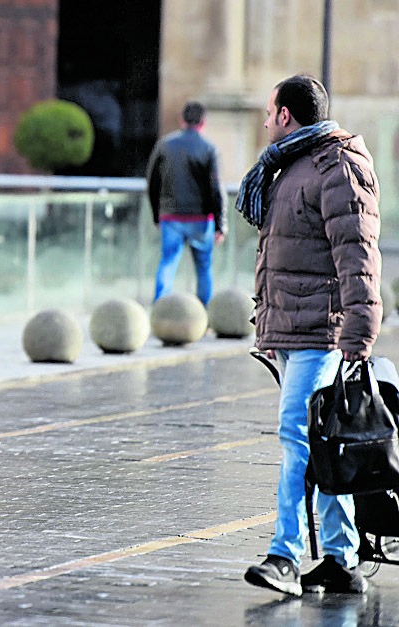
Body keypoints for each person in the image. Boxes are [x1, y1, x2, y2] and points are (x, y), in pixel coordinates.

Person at [237, 74, 381, 596]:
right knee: (325, 445)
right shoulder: (289, 167)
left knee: (297, 437)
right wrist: (270, 325)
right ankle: (341, 560)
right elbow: (281, 254)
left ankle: (285, 556)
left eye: (269, 111)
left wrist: (359, 339)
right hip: (295, 329)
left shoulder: (335, 165)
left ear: (285, 116)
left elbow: (359, 258)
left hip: (324, 332)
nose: (265, 120)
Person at [146, 101, 223, 305]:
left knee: (167, 264)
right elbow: (215, 189)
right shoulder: (209, 149)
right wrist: (220, 223)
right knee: (204, 268)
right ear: (203, 122)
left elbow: (152, 183)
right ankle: (203, 314)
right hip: (201, 218)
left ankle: (159, 310)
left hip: (171, 216)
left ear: (182, 120)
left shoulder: (164, 145)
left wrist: (157, 215)